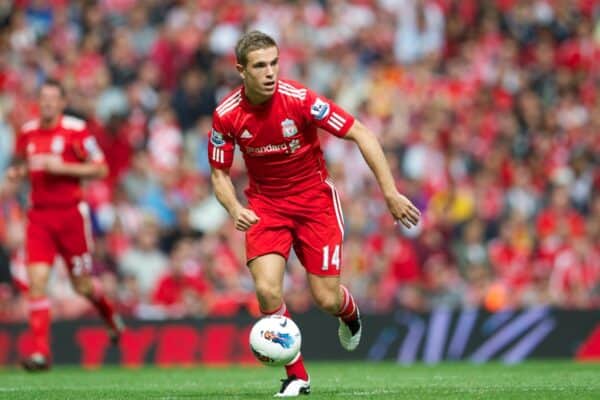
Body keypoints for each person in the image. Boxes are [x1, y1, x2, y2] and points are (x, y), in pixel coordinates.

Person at [208, 31, 420, 396]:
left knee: (325, 298)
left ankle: (349, 315)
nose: (271, 72)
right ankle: (297, 377)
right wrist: (234, 207)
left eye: (274, 62)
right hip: (265, 206)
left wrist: (390, 192)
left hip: (314, 203)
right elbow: (218, 173)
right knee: (267, 290)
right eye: (260, 66)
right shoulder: (227, 116)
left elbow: (362, 134)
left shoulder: (301, 100)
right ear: (241, 70)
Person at [6, 80, 124, 371]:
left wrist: (64, 168)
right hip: (39, 218)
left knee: (82, 286)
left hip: (71, 217)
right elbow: (24, 163)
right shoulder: (28, 133)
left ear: (61, 102)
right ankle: (40, 353)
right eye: (42, 98)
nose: (46, 104)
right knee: (36, 283)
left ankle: (108, 315)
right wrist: (17, 172)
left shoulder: (76, 130)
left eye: (52, 99)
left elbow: (101, 167)